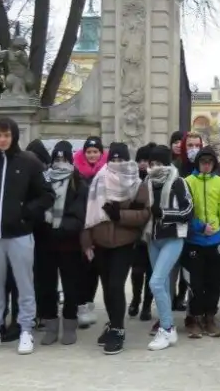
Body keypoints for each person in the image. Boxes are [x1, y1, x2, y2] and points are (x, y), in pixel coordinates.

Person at [0, 118, 54, 355]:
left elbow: (47, 195)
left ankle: (26, 329)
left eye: (6, 135)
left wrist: (26, 213)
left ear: (14, 136)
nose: (2, 139)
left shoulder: (30, 162)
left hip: (20, 235)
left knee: (24, 284)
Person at [81, 141, 150, 354]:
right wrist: (87, 241)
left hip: (124, 242)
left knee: (115, 285)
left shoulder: (137, 184)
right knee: (106, 286)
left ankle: (119, 329)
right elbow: (89, 214)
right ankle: (112, 323)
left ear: (127, 160)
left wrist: (120, 215)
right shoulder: (98, 179)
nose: (117, 162)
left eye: (121, 159)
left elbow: (144, 214)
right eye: (114, 159)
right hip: (100, 241)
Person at [141, 144, 194, 351]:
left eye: (158, 163)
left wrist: (164, 214)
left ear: (167, 163)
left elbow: (188, 211)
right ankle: (167, 326)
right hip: (152, 238)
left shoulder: (178, 182)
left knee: (155, 282)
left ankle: (167, 328)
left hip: (173, 238)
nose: (154, 167)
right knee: (161, 284)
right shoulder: (146, 182)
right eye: (152, 163)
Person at [35, 141, 87, 345]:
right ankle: (50, 325)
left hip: (69, 244)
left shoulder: (78, 183)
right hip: (45, 242)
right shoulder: (43, 180)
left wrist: (61, 228)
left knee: (71, 286)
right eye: (56, 158)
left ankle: (70, 324)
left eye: (64, 158)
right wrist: (43, 222)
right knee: (46, 286)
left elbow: (79, 215)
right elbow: (37, 205)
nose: (60, 162)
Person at [183, 146, 220, 338]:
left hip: (215, 240)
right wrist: (199, 227)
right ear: (198, 163)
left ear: (214, 164)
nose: (206, 165)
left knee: (214, 281)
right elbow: (186, 210)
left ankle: (209, 317)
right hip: (194, 240)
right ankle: (194, 317)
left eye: (210, 162)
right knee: (195, 282)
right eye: (203, 162)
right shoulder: (187, 181)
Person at [73, 136, 107, 328]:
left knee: (94, 269)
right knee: (80, 269)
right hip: (80, 226)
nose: (92, 155)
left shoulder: (106, 173)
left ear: (101, 153)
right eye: (89, 152)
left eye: (95, 152)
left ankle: (88, 303)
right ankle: (80, 305)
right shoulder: (76, 173)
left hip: (99, 227)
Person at [128, 144, 155, 321]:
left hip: (153, 231)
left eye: (146, 160)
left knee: (151, 272)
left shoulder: (156, 179)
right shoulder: (132, 179)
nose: (143, 164)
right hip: (137, 232)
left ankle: (146, 305)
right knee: (137, 270)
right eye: (140, 160)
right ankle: (136, 298)